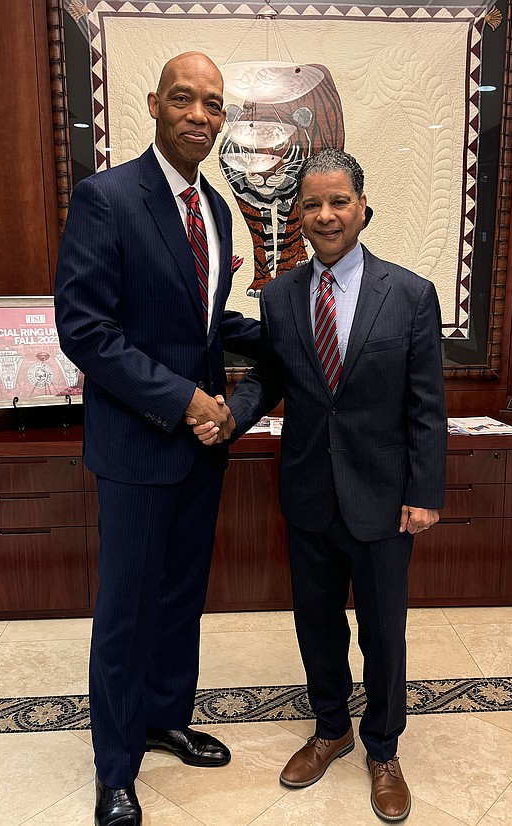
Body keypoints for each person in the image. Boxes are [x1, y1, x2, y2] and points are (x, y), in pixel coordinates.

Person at [190, 149, 447, 822]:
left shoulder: (411, 294)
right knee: (317, 627)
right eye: (312, 204)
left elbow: (426, 407)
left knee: (385, 633)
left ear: (363, 208)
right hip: (307, 492)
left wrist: (424, 493)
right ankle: (331, 728)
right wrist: (229, 420)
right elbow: (271, 380)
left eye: (339, 202)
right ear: (297, 216)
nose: (326, 215)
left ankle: (383, 747)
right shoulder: (279, 296)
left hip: (385, 498)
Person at [54, 52, 259, 826]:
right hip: (139, 446)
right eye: (184, 99)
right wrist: (184, 402)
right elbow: (87, 330)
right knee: (126, 612)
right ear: (153, 104)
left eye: (213, 104)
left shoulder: (217, 206)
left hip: (201, 450)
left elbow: (199, 321)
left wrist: (275, 341)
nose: (200, 115)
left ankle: (166, 715)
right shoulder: (107, 198)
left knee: (181, 600)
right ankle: (115, 765)